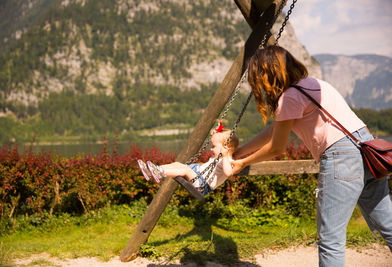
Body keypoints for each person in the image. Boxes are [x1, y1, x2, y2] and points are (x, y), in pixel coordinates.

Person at [231, 45, 392, 266]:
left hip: (341, 158)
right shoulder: (312, 85)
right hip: (368, 150)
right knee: (388, 224)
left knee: (330, 240)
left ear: (266, 76)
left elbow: (277, 147)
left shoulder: (289, 98)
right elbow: (274, 131)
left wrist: (241, 163)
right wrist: (239, 151)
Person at [137, 125, 239, 196]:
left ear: (226, 148)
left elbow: (228, 173)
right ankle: (154, 170)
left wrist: (225, 156)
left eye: (213, 146)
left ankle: (160, 172)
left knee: (185, 170)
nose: (211, 149)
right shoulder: (218, 157)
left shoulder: (228, 160)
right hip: (197, 173)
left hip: (202, 185)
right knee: (177, 164)